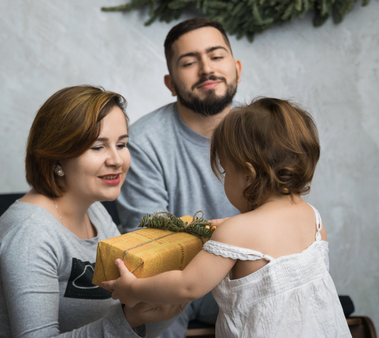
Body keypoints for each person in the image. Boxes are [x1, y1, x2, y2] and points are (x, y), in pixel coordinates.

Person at [104, 98, 351, 338]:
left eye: (225, 170)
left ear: (248, 175)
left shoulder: (236, 231)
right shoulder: (313, 218)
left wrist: (132, 289)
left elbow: (186, 286)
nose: (224, 178)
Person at [0, 85, 184, 338]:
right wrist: (129, 318)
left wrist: (169, 302)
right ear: (57, 159)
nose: (117, 160)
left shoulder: (95, 211)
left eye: (121, 144)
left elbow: (126, 327)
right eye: (98, 147)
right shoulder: (31, 233)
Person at [116, 17, 242, 336]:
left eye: (216, 56)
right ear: (170, 83)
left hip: (245, 271)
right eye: (189, 62)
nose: (206, 69)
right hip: (176, 276)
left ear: (237, 67)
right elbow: (147, 241)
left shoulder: (262, 131)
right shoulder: (143, 141)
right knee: (156, 311)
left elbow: (283, 215)